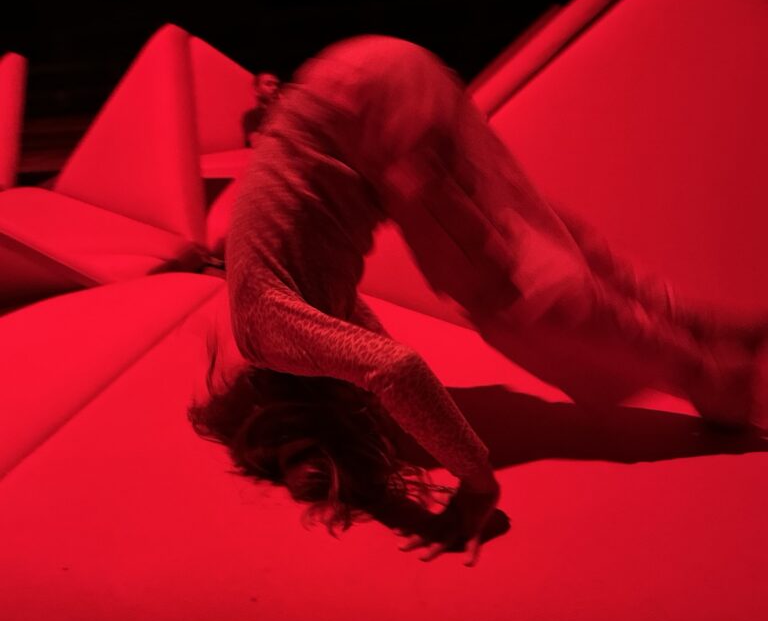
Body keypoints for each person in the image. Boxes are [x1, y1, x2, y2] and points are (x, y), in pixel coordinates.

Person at [188, 34, 768, 567]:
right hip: (359, 82)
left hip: (370, 109)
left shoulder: (269, 330)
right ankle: (698, 324)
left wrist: (476, 481)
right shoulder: (287, 309)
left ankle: (709, 377)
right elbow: (372, 348)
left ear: (289, 411)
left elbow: (397, 369)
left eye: (297, 454)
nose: (306, 478)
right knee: (535, 236)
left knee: (515, 298)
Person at [241, 72, 282, 147]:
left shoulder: (284, 113)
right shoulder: (251, 115)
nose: (275, 88)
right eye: (269, 84)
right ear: (257, 90)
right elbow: (256, 143)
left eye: (276, 85)